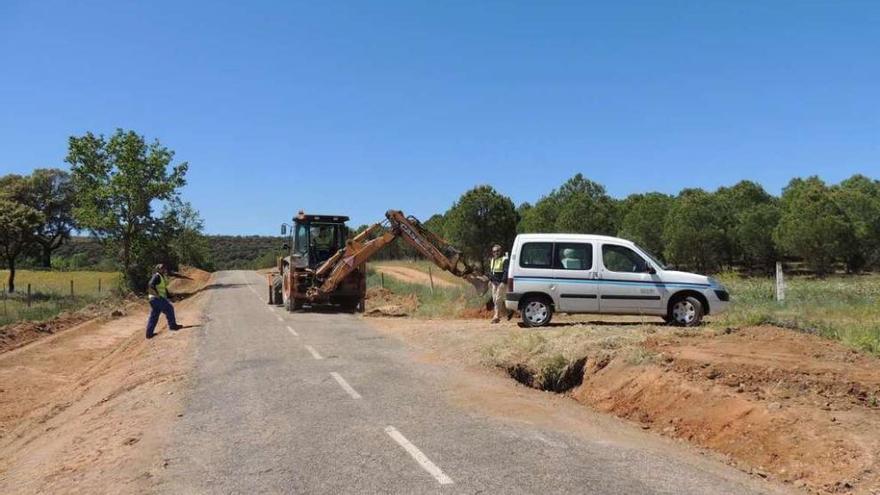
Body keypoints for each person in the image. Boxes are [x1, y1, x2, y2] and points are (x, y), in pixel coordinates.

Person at [145, 264, 181, 339]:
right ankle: (173, 326)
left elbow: (164, 290)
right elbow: (150, 284)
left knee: (154, 315)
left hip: (153, 299)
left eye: (164, 268)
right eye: (161, 268)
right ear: (157, 269)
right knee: (169, 308)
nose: (163, 269)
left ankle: (149, 334)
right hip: (157, 299)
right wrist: (157, 295)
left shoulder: (161, 277)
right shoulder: (157, 276)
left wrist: (172, 297)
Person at [488, 244, 509, 324]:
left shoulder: (505, 259)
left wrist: (503, 282)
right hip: (494, 282)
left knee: (497, 299)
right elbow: (491, 272)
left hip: (501, 283)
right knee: (494, 299)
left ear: (501, 251)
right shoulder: (492, 260)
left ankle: (496, 316)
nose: (496, 253)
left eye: (497, 251)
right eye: (494, 251)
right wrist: (490, 280)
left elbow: (506, 272)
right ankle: (508, 312)